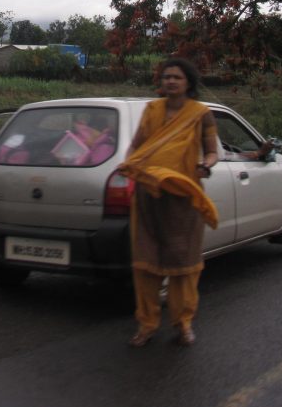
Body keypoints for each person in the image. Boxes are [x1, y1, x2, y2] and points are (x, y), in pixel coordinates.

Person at [119, 58, 219, 347]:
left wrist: (205, 166)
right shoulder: (151, 110)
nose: (170, 81)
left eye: (176, 77)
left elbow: (212, 152)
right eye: (166, 77)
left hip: (183, 199)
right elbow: (137, 146)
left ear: (188, 81)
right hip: (148, 196)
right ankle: (147, 324)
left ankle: (183, 323)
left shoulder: (201, 114)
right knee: (145, 263)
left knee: (184, 263)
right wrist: (130, 164)